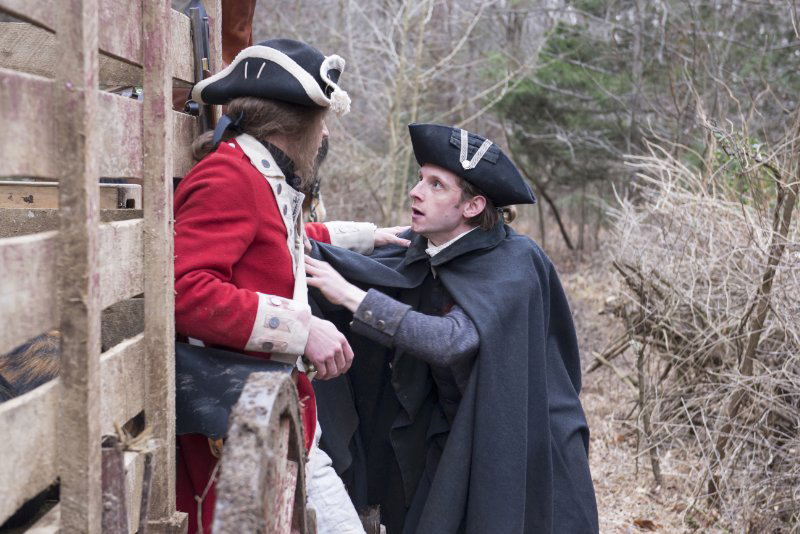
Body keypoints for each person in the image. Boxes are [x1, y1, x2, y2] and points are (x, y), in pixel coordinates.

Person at [305, 123, 599, 533]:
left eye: (436, 185)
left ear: (473, 206)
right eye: (419, 178)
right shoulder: (425, 250)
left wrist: (351, 296)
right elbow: (366, 268)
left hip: (523, 443)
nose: (415, 192)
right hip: (450, 435)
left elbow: (452, 340)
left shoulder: (514, 265)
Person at [173, 38, 403, 534]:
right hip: (236, 429)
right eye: (322, 123)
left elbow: (280, 239)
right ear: (296, 125)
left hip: (284, 419)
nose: (324, 136)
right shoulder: (229, 177)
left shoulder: (260, 173)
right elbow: (185, 291)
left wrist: (369, 236)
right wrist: (302, 330)